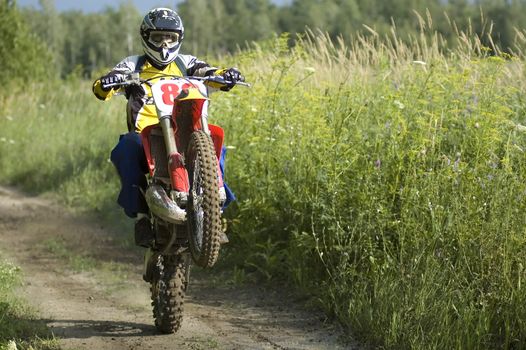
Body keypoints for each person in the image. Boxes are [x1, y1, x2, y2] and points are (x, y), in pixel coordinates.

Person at [92, 8, 243, 247]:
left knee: (216, 143)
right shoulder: (133, 64)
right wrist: (108, 81)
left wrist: (227, 75)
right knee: (125, 149)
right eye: (158, 37)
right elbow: (102, 88)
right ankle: (141, 216)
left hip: (185, 131)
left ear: (179, 38)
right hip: (146, 133)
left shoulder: (186, 63)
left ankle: (215, 214)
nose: (164, 43)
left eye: (170, 37)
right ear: (146, 37)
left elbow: (209, 72)